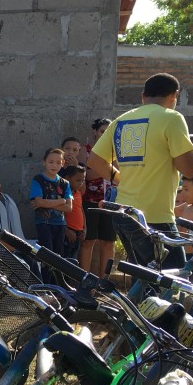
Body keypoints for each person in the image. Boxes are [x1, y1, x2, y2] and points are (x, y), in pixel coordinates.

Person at [87, 73, 193, 270]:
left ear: (143, 96)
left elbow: (94, 160)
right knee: (173, 278)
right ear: (175, 96)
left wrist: (119, 178)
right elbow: (189, 169)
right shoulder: (171, 118)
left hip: (123, 213)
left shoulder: (121, 120)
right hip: (155, 216)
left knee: (146, 278)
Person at [81, 117, 116, 276]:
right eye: (102, 131)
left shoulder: (115, 152)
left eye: (108, 131)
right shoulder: (86, 150)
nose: (105, 134)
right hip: (90, 201)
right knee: (88, 241)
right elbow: (85, 176)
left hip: (110, 203)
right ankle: (84, 280)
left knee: (108, 242)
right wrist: (104, 165)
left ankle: (104, 281)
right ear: (95, 132)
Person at [29, 148, 73, 261]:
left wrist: (46, 203)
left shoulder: (65, 183)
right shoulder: (38, 180)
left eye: (58, 162)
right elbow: (38, 201)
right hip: (44, 223)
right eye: (51, 162)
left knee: (59, 256)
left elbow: (69, 208)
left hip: (60, 223)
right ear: (44, 162)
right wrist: (61, 201)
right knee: (46, 255)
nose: (54, 165)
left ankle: (55, 279)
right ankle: (45, 279)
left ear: (63, 163)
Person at [60, 164, 87, 259]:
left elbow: (81, 210)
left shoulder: (78, 193)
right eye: (77, 180)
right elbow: (59, 214)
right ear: (67, 178)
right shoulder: (63, 194)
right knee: (66, 260)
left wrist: (84, 229)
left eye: (83, 181)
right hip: (68, 232)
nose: (80, 183)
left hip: (78, 233)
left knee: (74, 259)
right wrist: (66, 231)